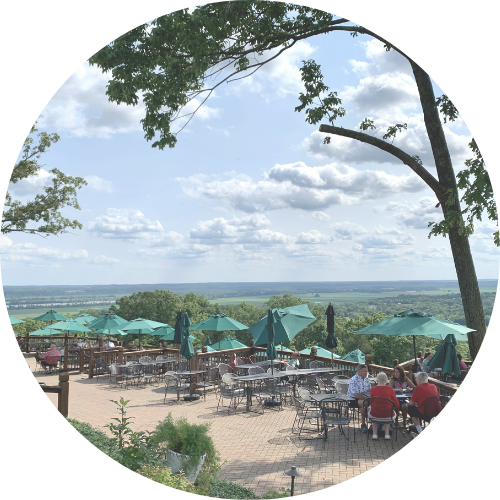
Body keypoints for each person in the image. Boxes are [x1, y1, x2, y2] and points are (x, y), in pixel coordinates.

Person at [368, 372, 399, 440]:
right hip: (388, 416)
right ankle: (387, 434)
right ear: (386, 380)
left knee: (374, 411)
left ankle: (374, 434)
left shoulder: (373, 389)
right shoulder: (390, 389)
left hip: (375, 415)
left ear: (377, 380)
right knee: (388, 411)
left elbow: (371, 403)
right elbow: (396, 404)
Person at [347, 364, 372, 432]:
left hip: (364, 397)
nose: (366, 373)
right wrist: (366, 398)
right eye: (364, 371)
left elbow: (370, 390)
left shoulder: (366, 379)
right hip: (352, 399)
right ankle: (363, 424)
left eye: (367, 371)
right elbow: (356, 394)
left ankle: (374, 423)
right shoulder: (354, 380)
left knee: (376, 401)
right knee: (364, 403)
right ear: (359, 371)